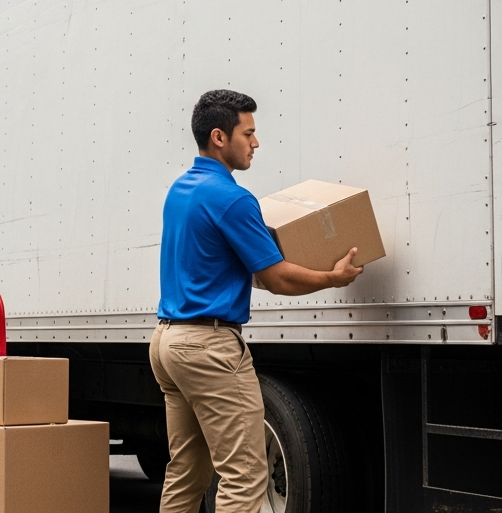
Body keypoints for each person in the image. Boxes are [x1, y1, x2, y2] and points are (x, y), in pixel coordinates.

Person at [149, 90, 364, 513]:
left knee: (187, 472)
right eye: (248, 133)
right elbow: (278, 277)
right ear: (219, 137)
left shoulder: (182, 190)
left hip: (167, 343)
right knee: (245, 476)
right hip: (208, 349)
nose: (256, 143)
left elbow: (223, 263)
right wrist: (332, 278)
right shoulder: (231, 198)